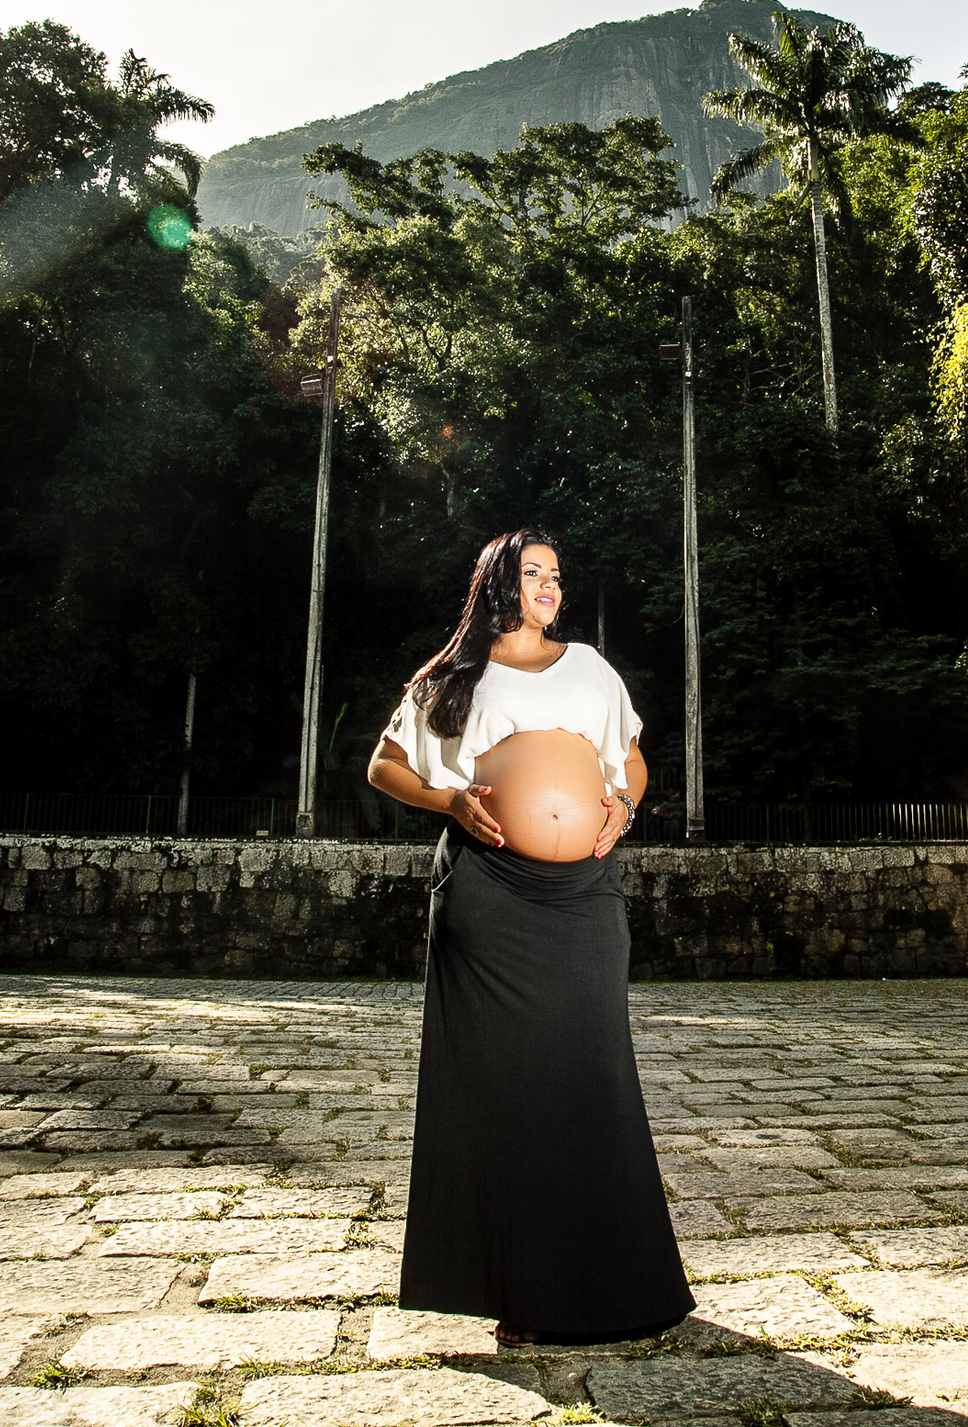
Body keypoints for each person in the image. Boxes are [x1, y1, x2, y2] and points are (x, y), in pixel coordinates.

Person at [368, 527, 694, 1346]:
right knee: (507, 1085)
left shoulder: (590, 667)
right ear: (498, 585)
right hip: (491, 893)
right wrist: (448, 803)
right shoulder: (454, 676)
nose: (549, 586)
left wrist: (624, 805)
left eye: (555, 574)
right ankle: (518, 1288)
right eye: (532, 573)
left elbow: (632, 760)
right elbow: (385, 766)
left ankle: (617, 1281)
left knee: (592, 1073)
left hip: (584, 894)